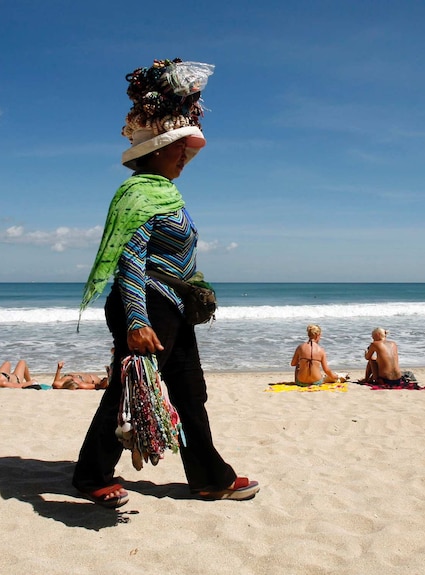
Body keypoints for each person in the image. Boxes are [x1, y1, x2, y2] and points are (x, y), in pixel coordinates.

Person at [73, 58, 259, 508]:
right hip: (146, 306)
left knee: (191, 392)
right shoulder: (137, 194)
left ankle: (209, 477)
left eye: (185, 148)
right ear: (155, 150)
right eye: (178, 147)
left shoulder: (168, 192)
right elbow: (130, 260)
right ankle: (92, 474)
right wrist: (136, 319)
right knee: (129, 389)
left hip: (172, 307)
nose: (184, 155)